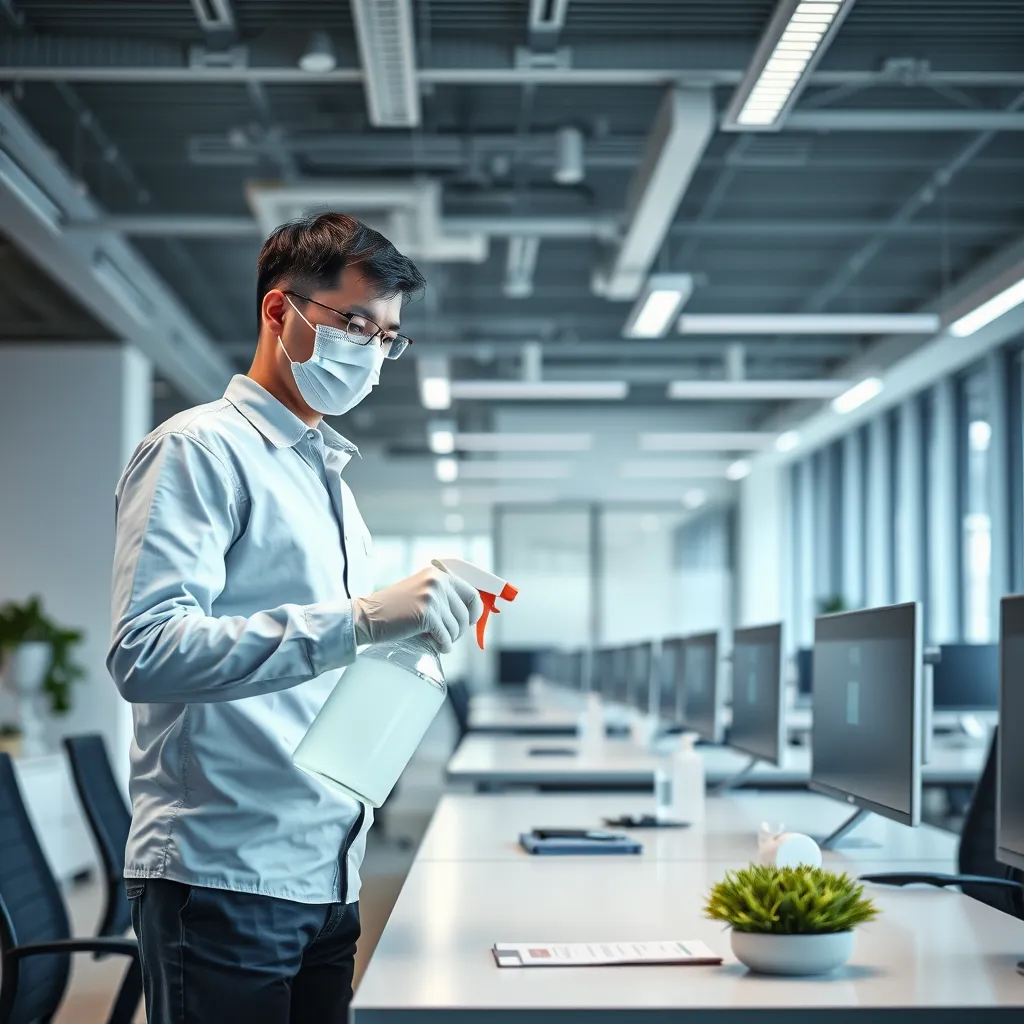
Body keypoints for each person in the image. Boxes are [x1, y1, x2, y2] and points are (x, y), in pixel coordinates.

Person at [107, 213, 483, 1024]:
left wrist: (398, 639)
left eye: (389, 337)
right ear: (281, 313)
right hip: (223, 873)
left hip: (327, 874)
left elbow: (311, 663)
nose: (374, 350)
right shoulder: (199, 451)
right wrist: (357, 620)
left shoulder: (332, 488)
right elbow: (146, 651)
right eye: (356, 322)